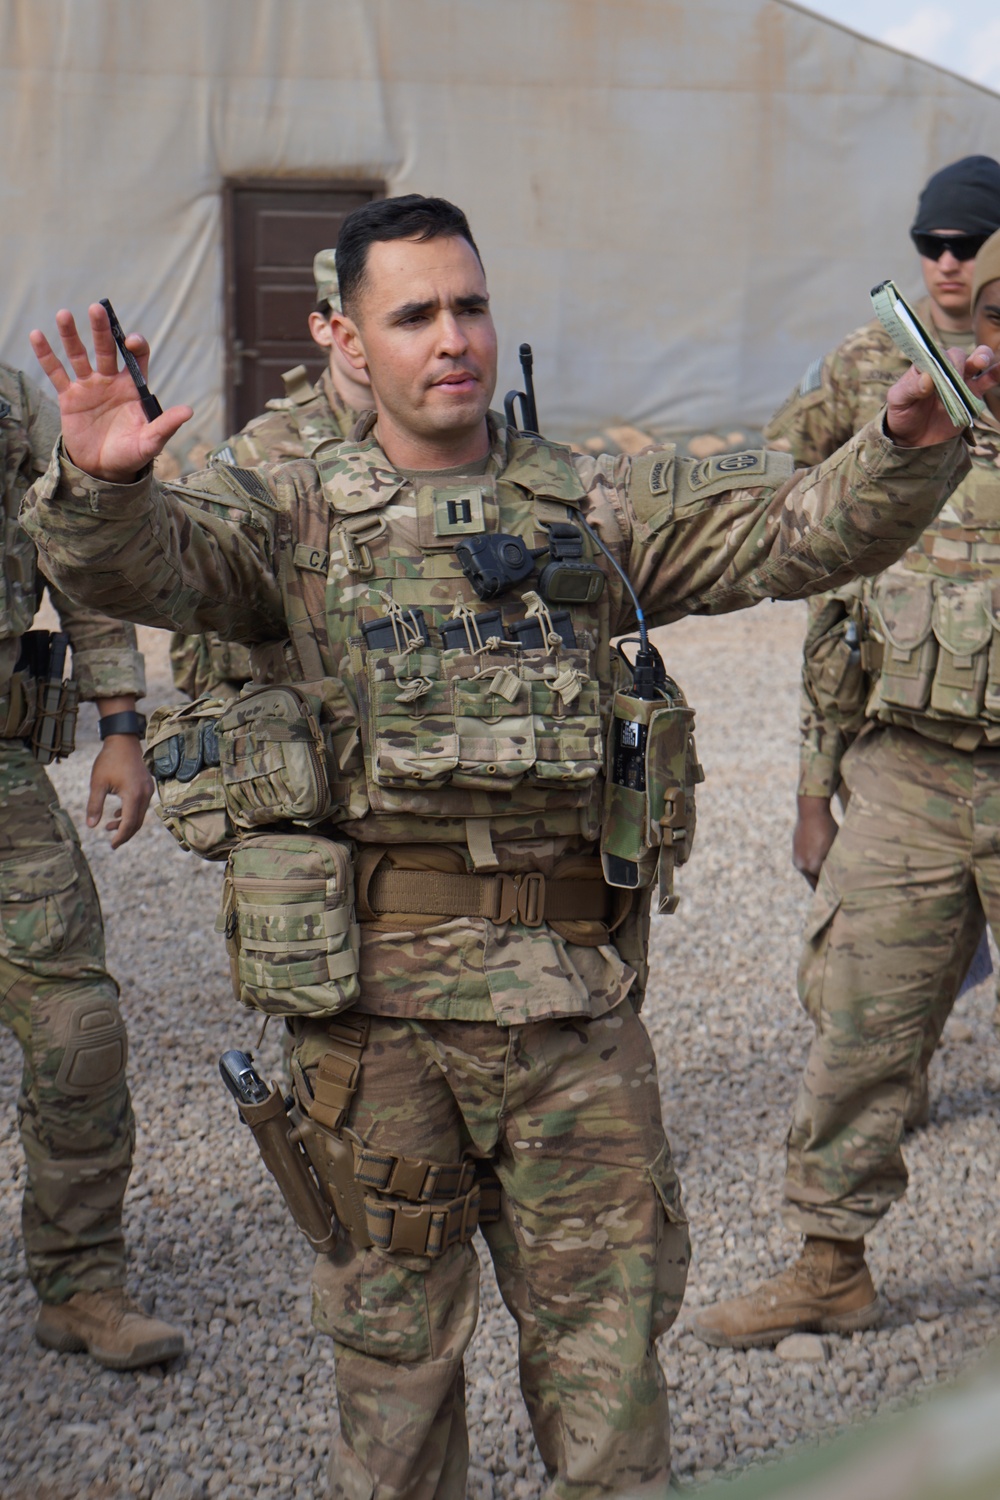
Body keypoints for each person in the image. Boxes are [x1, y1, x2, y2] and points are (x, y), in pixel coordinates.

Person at [22, 195, 994, 1498]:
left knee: (609, 1388)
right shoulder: (289, 516)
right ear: (352, 343)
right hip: (374, 1038)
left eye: (468, 306)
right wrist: (103, 483)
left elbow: (788, 532)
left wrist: (895, 442)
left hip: (573, 1025)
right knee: (399, 1394)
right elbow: (154, 572)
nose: (451, 337)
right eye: (414, 313)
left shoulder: (583, 500)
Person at [689, 224, 1000, 1352]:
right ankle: (829, 1264)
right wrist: (815, 785)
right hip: (910, 769)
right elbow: (833, 622)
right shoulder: (916, 429)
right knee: (859, 1029)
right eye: (989, 320)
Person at [769, 154, 1000, 1131]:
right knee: (859, 981)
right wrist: (813, 788)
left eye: (964, 244)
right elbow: (788, 483)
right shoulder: (874, 359)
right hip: (905, 720)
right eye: (926, 244)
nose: (943, 263)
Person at [0, 362, 185, 1368]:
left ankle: (81, 1284)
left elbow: (76, 557)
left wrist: (120, 719)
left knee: (79, 1028)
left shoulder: (12, 401)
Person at [168, 247, 371, 701]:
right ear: (325, 328)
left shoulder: (454, 445)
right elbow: (196, 639)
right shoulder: (257, 451)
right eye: (357, 315)